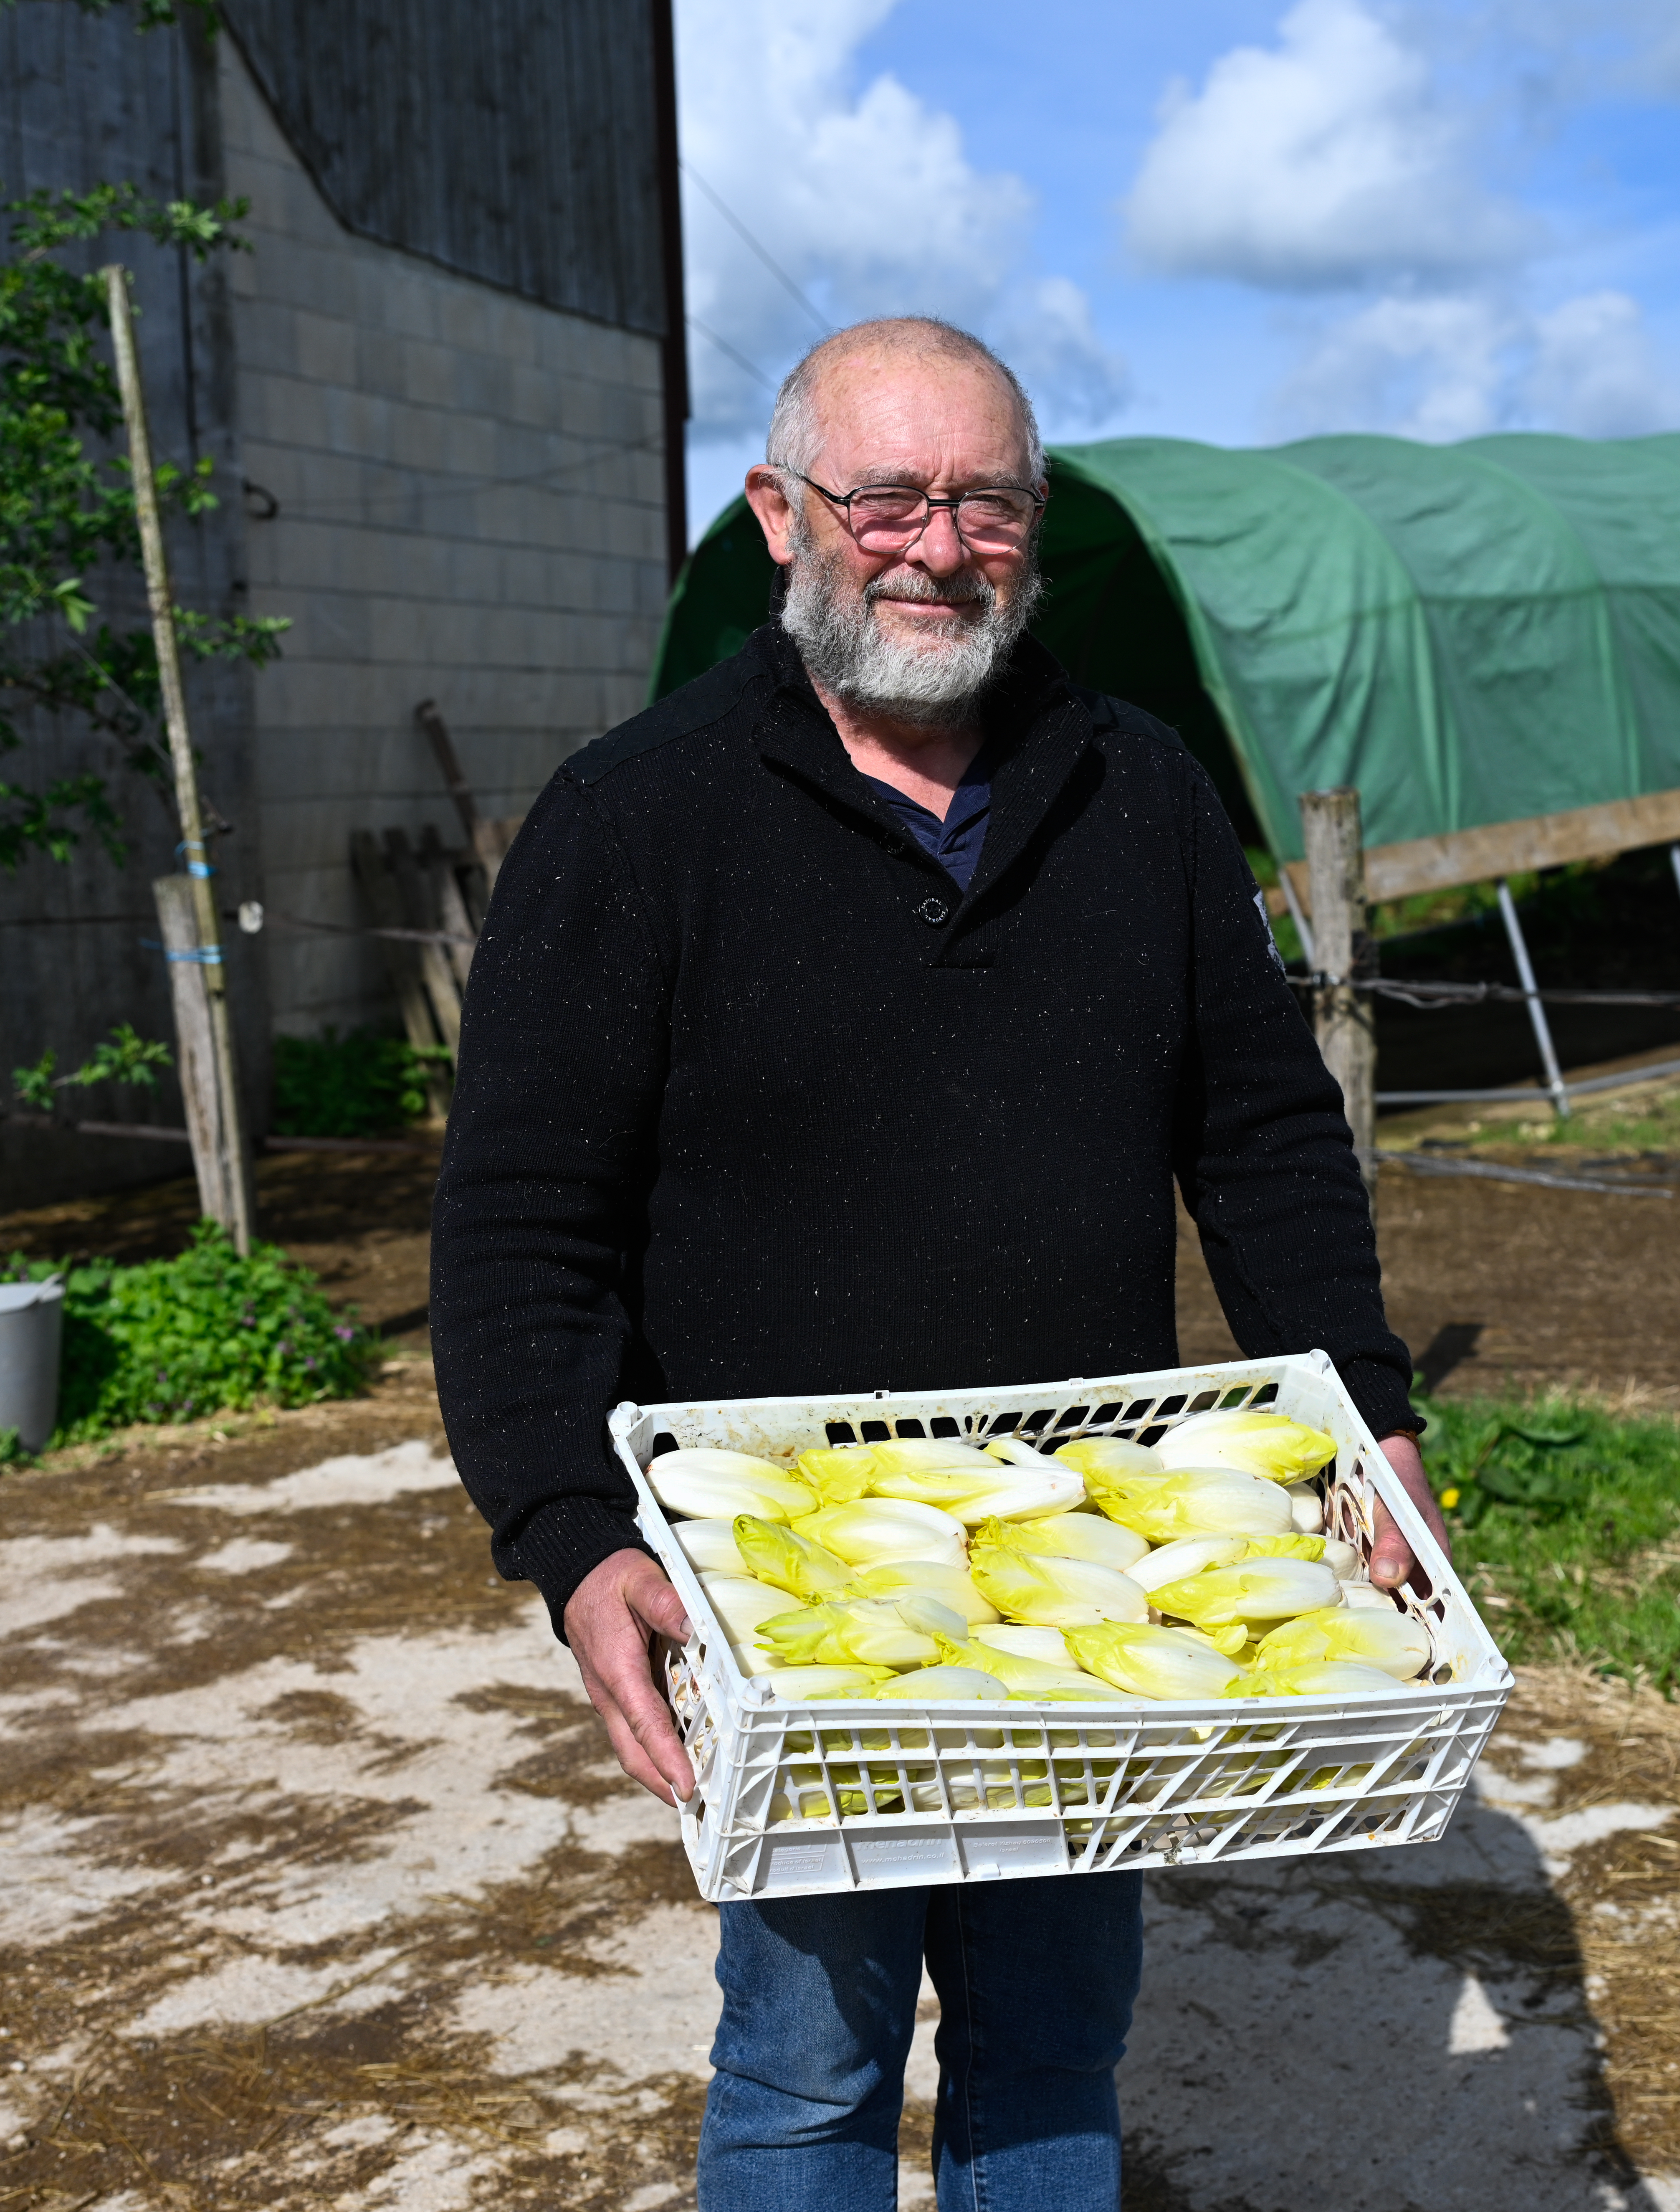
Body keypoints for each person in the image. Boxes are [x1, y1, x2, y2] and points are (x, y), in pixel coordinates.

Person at [431, 316, 1441, 2212]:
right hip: (796, 1576)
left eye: (983, 499)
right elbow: (519, 1220)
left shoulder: (1134, 794)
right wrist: (570, 1529)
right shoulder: (634, 820)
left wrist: (1363, 1408)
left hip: (1087, 1555)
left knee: (1053, 2039)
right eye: (882, 493)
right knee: (808, 2066)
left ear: (1033, 529)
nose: (933, 543)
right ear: (776, 515)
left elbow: (1263, 1134)